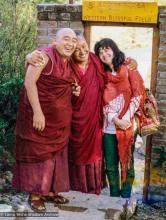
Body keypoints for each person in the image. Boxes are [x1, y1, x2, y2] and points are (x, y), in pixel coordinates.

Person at [26, 35, 137, 195]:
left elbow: (116, 65)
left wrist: (131, 61)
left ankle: (100, 190)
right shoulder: (67, 64)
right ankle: (74, 188)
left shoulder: (97, 61)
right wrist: (28, 56)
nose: (82, 51)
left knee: (104, 156)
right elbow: (45, 69)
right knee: (79, 153)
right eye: (77, 49)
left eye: (84, 46)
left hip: (95, 120)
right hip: (74, 119)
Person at [12, 28, 81, 212]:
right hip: (40, 118)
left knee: (56, 157)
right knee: (38, 155)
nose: (70, 43)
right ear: (54, 42)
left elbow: (63, 83)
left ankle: (50, 191)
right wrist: (37, 112)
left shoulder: (67, 62)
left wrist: (74, 90)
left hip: (59, 122)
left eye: (73, 40)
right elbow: (29, 82)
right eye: (66, 39)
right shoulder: (43, 57)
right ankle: (35, 194)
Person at [94, 38, 145, 198]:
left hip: (128, 126)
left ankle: (126, 197)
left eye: (106, 49)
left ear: (114, 49)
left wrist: (127, 119)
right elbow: (103, 101)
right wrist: (115, 120)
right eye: (100, 52)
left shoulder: (128, 68)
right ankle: (114, 199)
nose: (104, 53)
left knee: (127, 165)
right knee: (110, 166)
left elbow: (138, 94)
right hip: (109, 126)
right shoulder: (102, 74)